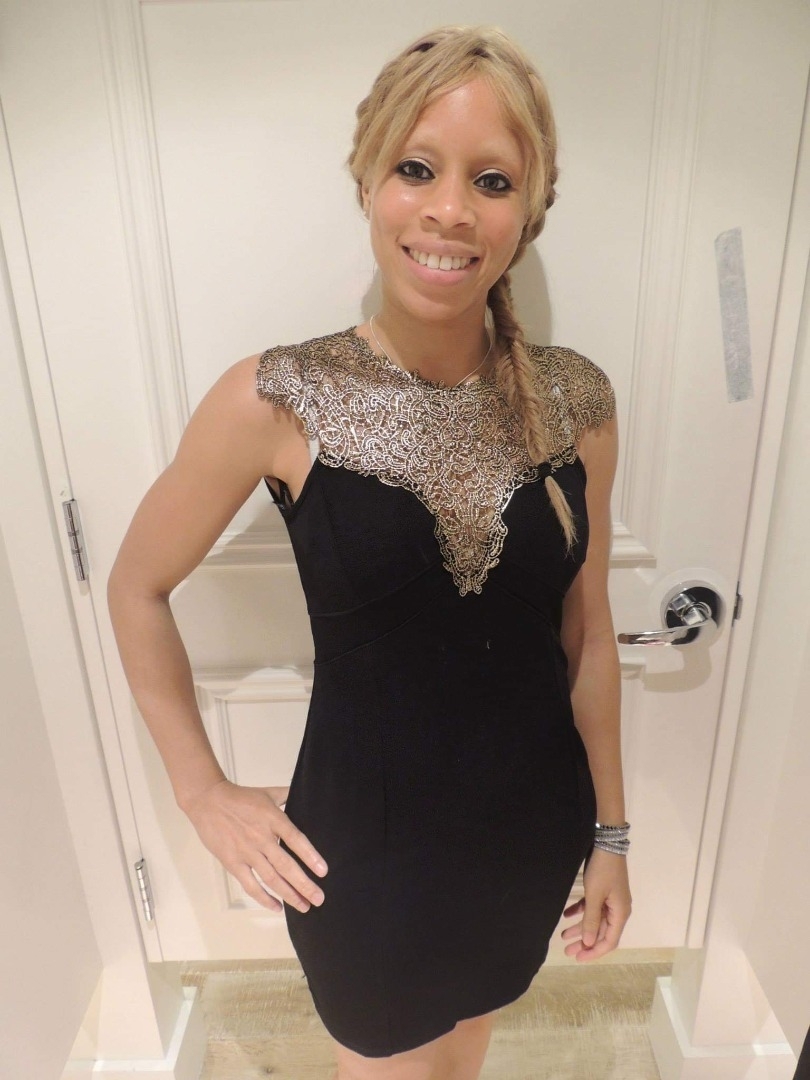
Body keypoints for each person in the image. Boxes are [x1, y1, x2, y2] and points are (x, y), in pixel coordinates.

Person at [107, 24, 631, 1080]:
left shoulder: (576, 400)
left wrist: (612, 836)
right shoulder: (279, 398)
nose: (449, 210)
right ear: (369, 183)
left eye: (491, 180)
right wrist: (200, 790)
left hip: (528, 836)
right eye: (416, 169)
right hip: (366, 860)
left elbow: (588, 631)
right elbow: (136, 587)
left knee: (468, 1053)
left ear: (528, 211)